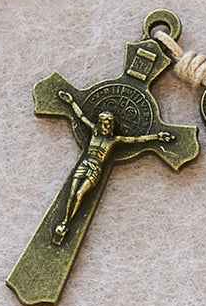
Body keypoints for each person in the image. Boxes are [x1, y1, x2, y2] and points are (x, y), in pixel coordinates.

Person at [53, 90, 174, 245]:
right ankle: (63, 222)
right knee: (71, 193)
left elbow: (136, 140)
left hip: (95, 168)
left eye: (110, 123)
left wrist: (157, 137)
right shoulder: (94, 133)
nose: (107, 126)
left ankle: (67, 223)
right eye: (105, 123)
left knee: (80, 195)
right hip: (85, 164)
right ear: (100, 123)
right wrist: (71, 102)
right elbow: (81, 117)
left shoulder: (115, 140)